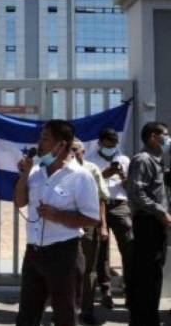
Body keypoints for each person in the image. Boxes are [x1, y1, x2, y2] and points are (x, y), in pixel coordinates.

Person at [14, 120, 100, 326]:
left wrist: (58, 215)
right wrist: (24, 175)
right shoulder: (36, 172)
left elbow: (92, 218)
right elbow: (20, 202)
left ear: (62, 145)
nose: (39, 143)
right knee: (26, 316)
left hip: (64, 255)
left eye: (45, 138)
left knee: (65, 317)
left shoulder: (81, 176)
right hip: (34, 253)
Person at [126, 122, 171, 326]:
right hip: (147, 223)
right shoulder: (143, 160)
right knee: (146, 275)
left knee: (153, 274)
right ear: (153, 137)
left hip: (157, 223)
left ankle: (149, 318)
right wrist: (161, 212)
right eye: (165, 135)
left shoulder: (158, 161)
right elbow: (137, 193)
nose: (168, 139)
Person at [86, 127, 132, 309]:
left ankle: (129, 289)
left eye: (114, 143)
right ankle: (106, 290)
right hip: (99, 204)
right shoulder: (90, 160)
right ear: (100, 142)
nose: (111, 146)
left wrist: (123, 178)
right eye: (108, 143)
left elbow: (131, 187)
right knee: (101, 251)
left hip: (120, 205)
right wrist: (103, 175)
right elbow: (88, 184)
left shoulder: (124, 160)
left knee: (128, 247)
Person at [71, 138, 109, 325]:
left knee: (88, 270)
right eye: (69, 149)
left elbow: (102, 198)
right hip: (66, 224)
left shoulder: (92, 169)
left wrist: (103, 225)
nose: (72, 153)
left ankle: (86, 311)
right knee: (67, 269)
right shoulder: (60, 170)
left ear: (83, 151)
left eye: (75, 149)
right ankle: (67, 310)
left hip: (87, 224)